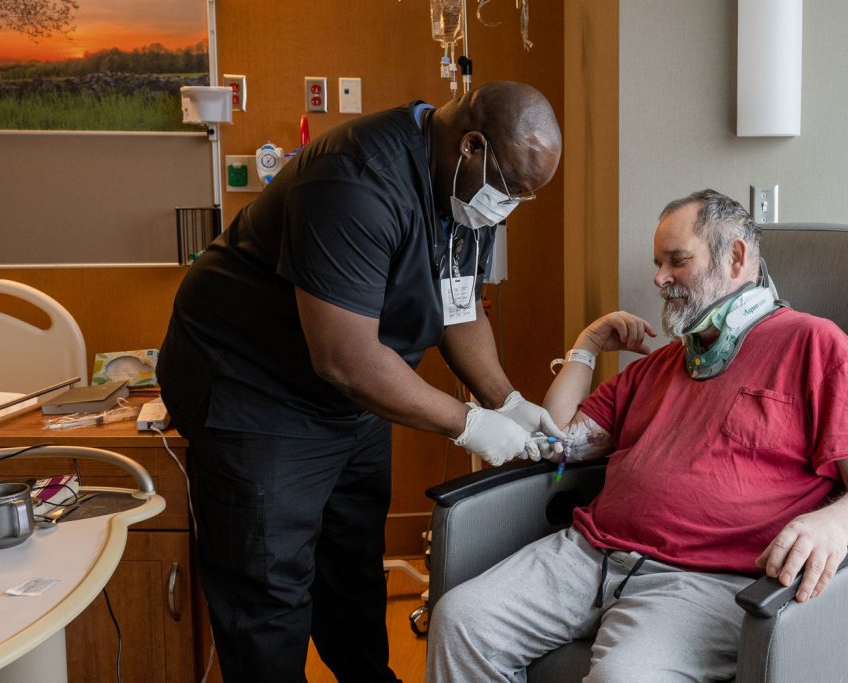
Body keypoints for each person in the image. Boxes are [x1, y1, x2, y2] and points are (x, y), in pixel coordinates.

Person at [157, 81, 563, 682]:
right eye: (510, 191)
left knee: (351, 562)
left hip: (356, 391)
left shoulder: (465, 187)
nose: (507, 207)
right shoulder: (354, 178)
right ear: (472, 145)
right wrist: (471, 425)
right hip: (253, 385)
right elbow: (345, 360)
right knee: (269, 583)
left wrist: (510, 402)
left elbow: (460, 307)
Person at [426, 189, 848, 682]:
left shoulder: (815, 346)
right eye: (658, 264)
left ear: (737, 257)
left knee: (626, 677)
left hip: (702, 582)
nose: (659, 279)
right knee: (462, 620)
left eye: (677, 261)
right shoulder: (659, 366)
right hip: (588, 553)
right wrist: (588, 345)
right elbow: (557, 440)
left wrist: (831, 527)